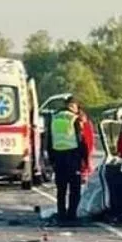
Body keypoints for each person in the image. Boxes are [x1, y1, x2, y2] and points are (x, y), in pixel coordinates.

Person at [47, 95, 85, 223]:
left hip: (58, 157)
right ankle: (72, 215)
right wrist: (83, 158)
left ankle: (61, 214)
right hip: (73, 157)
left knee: (61, 190)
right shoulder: (74, 118)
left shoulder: (54, 117)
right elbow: (80, 140)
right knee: (75, 189)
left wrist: (51, 159)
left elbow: (49, 139)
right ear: (74, 106)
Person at [77, 106, 95, 181]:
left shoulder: (87, 124)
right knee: (83, 162)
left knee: (86, 161)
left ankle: (86, 175)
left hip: (86, 145)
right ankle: (84, 175)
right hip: (81, 145)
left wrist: (91, 147)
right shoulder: (79, 123)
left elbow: (90, 137)